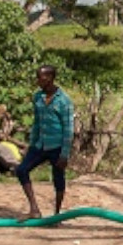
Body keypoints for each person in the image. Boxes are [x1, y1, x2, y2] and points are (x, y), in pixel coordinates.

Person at [14, 65, 74, 221]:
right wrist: (31, 145)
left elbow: (68, 128)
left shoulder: (63, 100)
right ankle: (34, 209)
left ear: (50, 78)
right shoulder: (38, 97)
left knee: (58, 179)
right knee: (22, 170)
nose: (38, 81)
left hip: (56, 146)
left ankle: (57, 214)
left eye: (40, 78)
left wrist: (64, 154)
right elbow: (37, 123)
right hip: (40, 144)